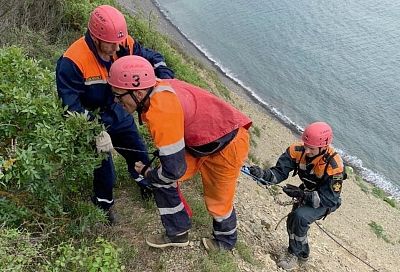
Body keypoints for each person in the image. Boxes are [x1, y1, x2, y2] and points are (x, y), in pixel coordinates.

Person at [107, 55, 252, 250]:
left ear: (138, 93)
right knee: (162, 178)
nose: (117, 101)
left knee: (218, 201)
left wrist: (148, 173)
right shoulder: (154, 90)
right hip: (200, 142)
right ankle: (178, 232)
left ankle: (225, 242)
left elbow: (173, 170)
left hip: (227, 144)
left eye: (119, 95)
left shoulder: (161, 110)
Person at [55, 5, 174, 224]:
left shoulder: (123, 44)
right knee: (104, 167)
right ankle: (103, 204)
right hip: (91, 117)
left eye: (120, 41)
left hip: (117, 110)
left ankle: (146, 185)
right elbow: (70, 105)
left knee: (138, 150)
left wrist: (166, 80)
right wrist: (94, 130)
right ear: (95, 36)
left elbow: (152, 58)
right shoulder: (73, 61)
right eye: (112, 43)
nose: (118, 47)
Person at [249, 121, 345, 270]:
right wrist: (263, 175)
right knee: (292, 221)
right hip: (306, 191)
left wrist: (301, 195)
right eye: (305, 145)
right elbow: (279, 173)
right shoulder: (296, 150)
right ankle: (303, 253)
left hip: (325, 200)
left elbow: (329, 198)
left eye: (311, 148)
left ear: (323, 147)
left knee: (299, 218)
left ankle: (293, 253)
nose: (306, 151)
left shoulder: (334, 165)